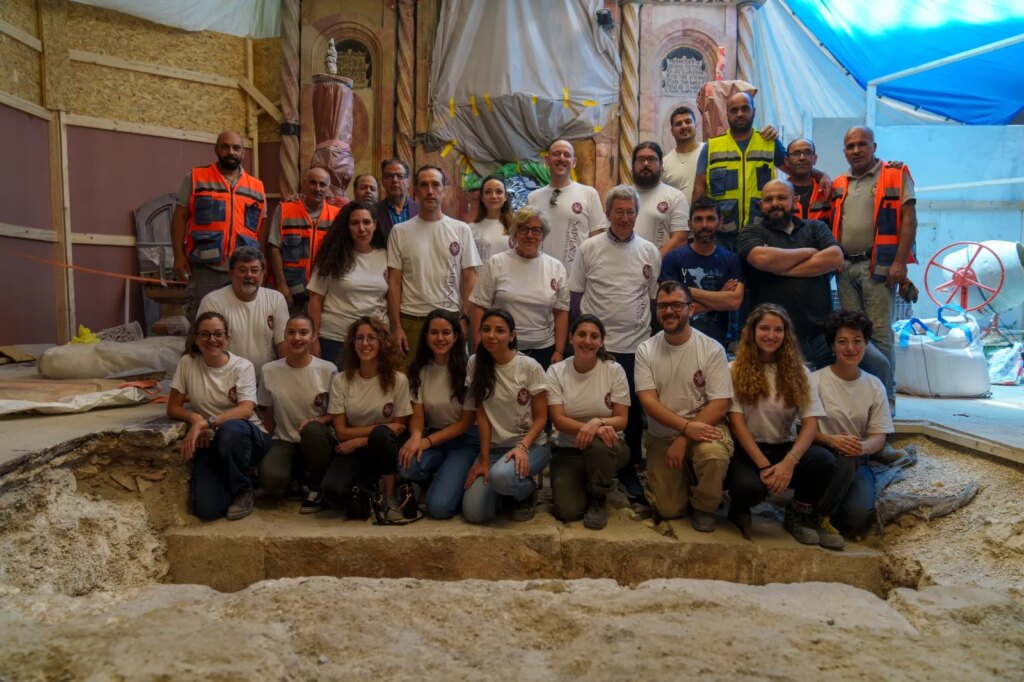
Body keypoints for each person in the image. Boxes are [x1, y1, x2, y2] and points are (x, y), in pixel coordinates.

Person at [737, 180, 891, 381]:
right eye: (768, 199)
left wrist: (781, 269)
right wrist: (810, 252)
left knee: (879, 364)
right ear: (761, 205)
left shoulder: (816, 227)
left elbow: (835, 257)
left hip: (823, 334)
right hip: (776, 338)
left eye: (782, 198)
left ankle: (884, 407)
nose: (775, 203)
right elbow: (762, 259)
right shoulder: (751, 232)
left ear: (794, 201)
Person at [569, 185, 660, 504]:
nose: (624, 217)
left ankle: (628, 468)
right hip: (597, 347)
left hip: (637, 346)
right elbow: (576, 296)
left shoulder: (650, 251)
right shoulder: (589, 248)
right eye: (618, 211)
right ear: (607, 214)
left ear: (637, 215)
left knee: (632, 414)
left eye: (630, 212)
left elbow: (651, 298)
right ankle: (590, 465)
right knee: (596, 406)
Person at [725, 304, 842, 549]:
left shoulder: (799, 371)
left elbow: (810, 423)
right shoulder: (734, 369)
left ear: (786, 334)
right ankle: (739, 505)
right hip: (747, 450)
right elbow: (736, 422)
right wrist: (765, 466)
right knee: (750, 488)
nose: (771, 335)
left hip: (783, 447)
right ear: (752, 331)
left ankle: (799, 512)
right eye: (764, 328)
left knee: (823, 461)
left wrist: (789, 462)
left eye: (778, 330)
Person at [831, 126, 917, 413]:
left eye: (861, 145)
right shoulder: (840, 182)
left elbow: (908, 220)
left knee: (879, 335)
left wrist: (900, 262)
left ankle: (886, 401)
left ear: (874, 146)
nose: (856, 151)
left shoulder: (894, 173)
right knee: (852, 335)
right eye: (850, 146)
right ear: (844, 151)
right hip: (845, 267)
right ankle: (860, 397)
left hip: (877, 266)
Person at [635, 281, 734, 532]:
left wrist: (685, 436)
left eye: (677, 305)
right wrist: (684, 429)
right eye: (663, 306)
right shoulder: (646, 350)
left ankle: (705, 505)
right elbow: (648, 402)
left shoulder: (712, 349)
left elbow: (720, 403)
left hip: (705, 427)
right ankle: (686, 478)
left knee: (712, 455)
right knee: (668, 509)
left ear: (691, 310)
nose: (669, 311)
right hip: (664, 434)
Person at [167, 311, 271, 521]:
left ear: (227, 339)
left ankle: (244, 490)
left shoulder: (242, 366)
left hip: (248, 436)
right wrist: (195, 419)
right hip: (211, 440)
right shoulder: (188, 363)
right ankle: (231, 479)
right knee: (207, 510)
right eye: (204, 335)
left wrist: (207, 422)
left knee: (231, 429)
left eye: (218, 334)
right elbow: (173, 407)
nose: (211, 340)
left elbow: (245, 409)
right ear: (196, 339)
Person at [462, 309, 551, 523]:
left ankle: (525, 491)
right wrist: (484, 459)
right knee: (475, 513)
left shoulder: (529, 366)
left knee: (501, 477)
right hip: (494, 448)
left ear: (512, 336)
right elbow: (481, 415)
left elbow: (541, 418)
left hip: (531, 445)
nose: (492, 335)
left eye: (500, 330)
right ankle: (505, 489)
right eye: (486, 329)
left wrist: (522, 447)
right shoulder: (475, 363)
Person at [171, 130, 267, 323]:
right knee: (203, 321)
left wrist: (261, 262)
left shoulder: (257, 186)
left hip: (243, 269)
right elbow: (180, 218)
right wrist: (179, 256)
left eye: (236, 148)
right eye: (225, 147)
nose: (231, 152)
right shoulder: (196, 177)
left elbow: (261, 226)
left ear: (243, 153)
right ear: (216, 149)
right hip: (207, 267)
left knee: (242, 321)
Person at [813, 310, 894, 540]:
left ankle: (828, 514)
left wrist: (862, 448)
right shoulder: (815, 380)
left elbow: (879, 437)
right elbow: (800, 429)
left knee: (858, 514)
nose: (851, 348)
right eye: (842, 342)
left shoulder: (875, 385)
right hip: (821, 454)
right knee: (838, 461)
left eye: (857, 341)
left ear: (866, 344)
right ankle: (817, 516)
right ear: (832, 346)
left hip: (857, 457)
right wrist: (831, 440)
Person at [322, 316, 412, 522]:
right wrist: (377, 431)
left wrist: (362, 440)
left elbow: (399, 428)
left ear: (382, 342)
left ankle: (389, 496)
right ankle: (371, 486)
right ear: (352, 344)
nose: (365, 343)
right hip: (353, 450)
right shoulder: (341, 380)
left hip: (383, 447)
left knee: (382, 434)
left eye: (372, 337)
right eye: (359, 338)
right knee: (332, 491)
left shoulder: (398, 380)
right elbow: (341, 431)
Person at [387, 165, 481, 360]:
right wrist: (396, 327)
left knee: (453, 382)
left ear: (444, 191)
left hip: (450, 319)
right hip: (411, 318)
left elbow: (470, 278)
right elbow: (394, 282)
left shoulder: (461, 229)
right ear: (415, 191)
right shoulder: (399, 231)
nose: (430, 191)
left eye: (436, 185)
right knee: (410, 384)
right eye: (424, 185)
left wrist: (464, 319)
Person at [546, 314, 631, 530]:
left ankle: (598, 495)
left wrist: (598, 423)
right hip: (569, 448)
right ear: (571, 338)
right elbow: (558, 419)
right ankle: (587, 478)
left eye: (594, 336)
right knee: (568, 511)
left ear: (601, 342)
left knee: (598, 444)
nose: (587, 341)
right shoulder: (556, 371)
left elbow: (621, 420)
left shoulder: (613, 370)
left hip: (609, 447)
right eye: (582, 334)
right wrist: (590, 427)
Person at [398, 309, 479, 520]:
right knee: (406, 465)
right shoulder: (419, 370)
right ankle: (442, 476)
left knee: (439, 509)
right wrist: (416, 437)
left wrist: (427, 442)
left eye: (446, 333)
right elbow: (417, 415)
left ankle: (451, 480)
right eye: (434, 333)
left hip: (464, 441)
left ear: (456, 336)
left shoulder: (468, 369)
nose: (440, 338)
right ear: (426, 337)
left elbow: (466, 422)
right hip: (433, 436)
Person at [256, 313, 337, 512]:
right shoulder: (269, 370)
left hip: (317, 439)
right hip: (284, 439)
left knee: (311, 432)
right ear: (284, 335)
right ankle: (294, 475)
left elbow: (336, 412)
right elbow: (269, 413)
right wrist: (265, 447)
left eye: (303, 332)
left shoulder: (328, 370)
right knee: (271, 482)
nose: (297, 338)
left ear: (313, 336)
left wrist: (317, 421)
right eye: (291, 332)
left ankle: (315, 487)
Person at [469, 207, 569, 368]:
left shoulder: (556, 268)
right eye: (524, 229)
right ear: (515, 233)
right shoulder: (496, 263)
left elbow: (561, 312)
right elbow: (478, 306)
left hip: (544, 351)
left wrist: (559, 351)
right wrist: (479, 347)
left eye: (536, 230)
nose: (530, 235)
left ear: (543, 235)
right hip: (501, 348)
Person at [307, 200, 389, 368]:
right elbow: (315, 300)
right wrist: (313, 339)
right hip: (336, 339)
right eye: (355, 223)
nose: (361, 228)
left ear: (375, 224)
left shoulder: (386, 256)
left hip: (375, 339)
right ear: (347, 227)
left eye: (366, 222)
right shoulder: (331, 257)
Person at [659, 196, 744, 348]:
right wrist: (720, 297)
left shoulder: (731, 259)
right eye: (698, 219)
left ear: (720, 222)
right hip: (678, 343)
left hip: (717, 345)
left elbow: (734, 302)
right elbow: (671, 308)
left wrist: (686, 292)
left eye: (711, 219)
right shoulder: (673, 259)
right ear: (689, 224)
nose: (704, 225)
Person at [196, 246, 288, 379]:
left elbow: (283, 345)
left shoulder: (276, 299)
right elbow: (204, 346)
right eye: (242, 270)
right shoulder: (212, 301)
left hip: (266, 380)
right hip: (226, 379)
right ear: (231, 274)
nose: (249, 275)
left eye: (254, 270)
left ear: (263, 274)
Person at [525, 139, 608, 272]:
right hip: (540, 274)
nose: (562, 158)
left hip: (576, 278)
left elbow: (597, 240)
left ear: (574, 162)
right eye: (557, 154)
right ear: (547, 160)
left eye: (567, 155)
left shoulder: (589, 194)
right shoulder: (533, 197)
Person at [267, 167, 341, 314]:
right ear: (304, 184)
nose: (317, 188)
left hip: (324, 294)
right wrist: (282, 285)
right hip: (291, 291)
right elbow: (274, 248)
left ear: (328, 189)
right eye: (313, 183)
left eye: (322, 184)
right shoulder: (284, 210)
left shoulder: (337, 215)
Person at [631, 142, 689, 256]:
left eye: (651, 159)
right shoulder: (623, 196)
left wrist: (653, 264)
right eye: (641, 159)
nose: (646, 163)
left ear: (661, 165)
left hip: (661, 267)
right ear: (633, 165)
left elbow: (680, 239)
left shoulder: (676, 196)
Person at [661, 105, 704, 202]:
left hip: (704, 216)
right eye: (678, 124)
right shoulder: (665, 163)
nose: (684, 126)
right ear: (672, 131)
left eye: (688, 122)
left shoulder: (707, 151)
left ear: (695, 125)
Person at [786, 138, 831, 224]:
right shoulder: (779, 193)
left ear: (815, 159)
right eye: (796, 153)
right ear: (787, 161)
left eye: (807, 152)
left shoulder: (827, 190)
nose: (802, 158)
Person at [470, 174, 513, 261]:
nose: (493, 196)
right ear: (481, 198)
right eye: (488, 192)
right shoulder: (470, 229)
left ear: (505, 197)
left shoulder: (516, 227)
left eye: (499, 192)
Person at [374, 158, 419, 240]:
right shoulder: (373, 211)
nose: (394, 180)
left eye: (400, 176)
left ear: (408, 182)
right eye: (389, 176)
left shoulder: (421, 210)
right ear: (383, 182)